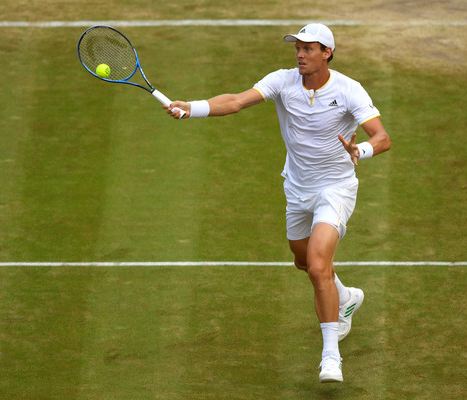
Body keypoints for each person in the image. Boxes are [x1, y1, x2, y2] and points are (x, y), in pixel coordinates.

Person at [165, 23, 391, 383]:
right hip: (297, 189)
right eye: (297, 48)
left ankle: (330, 356)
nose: (300, 54)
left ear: (327, 53)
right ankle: (345, 297)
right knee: (303, 262)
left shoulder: (349, 90)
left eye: (309, 48)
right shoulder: (283, 80)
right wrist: (192, 107)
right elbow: (237, 101)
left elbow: (381, 137)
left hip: (335, 188)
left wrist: (358, 150)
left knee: (319, 266)